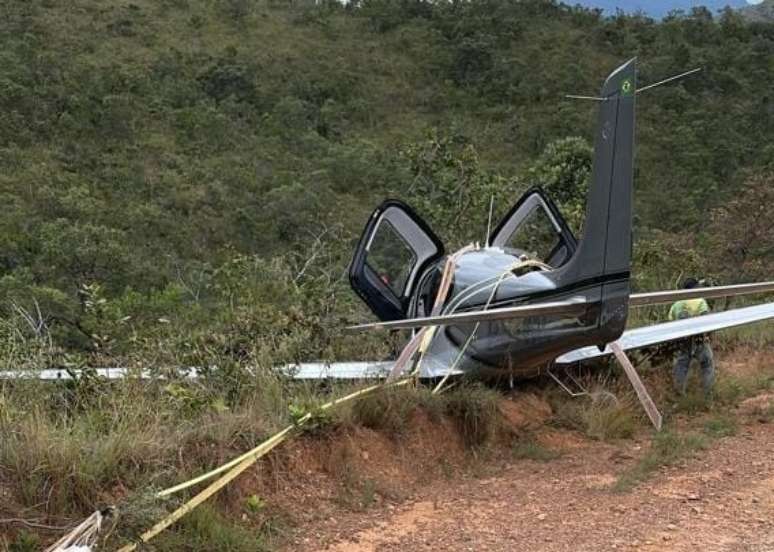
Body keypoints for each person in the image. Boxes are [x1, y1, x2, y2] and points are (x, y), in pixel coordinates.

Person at [668, 277, 715, 397]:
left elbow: (670, 320)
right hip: (699, 339)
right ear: (694, 288)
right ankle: (707, 394)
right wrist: (708, 335)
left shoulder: (676, 304)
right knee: (707, 364)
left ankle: (679, 394)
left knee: (681, 366)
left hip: (681, 340)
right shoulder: (700, 301)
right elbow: (705, 318)